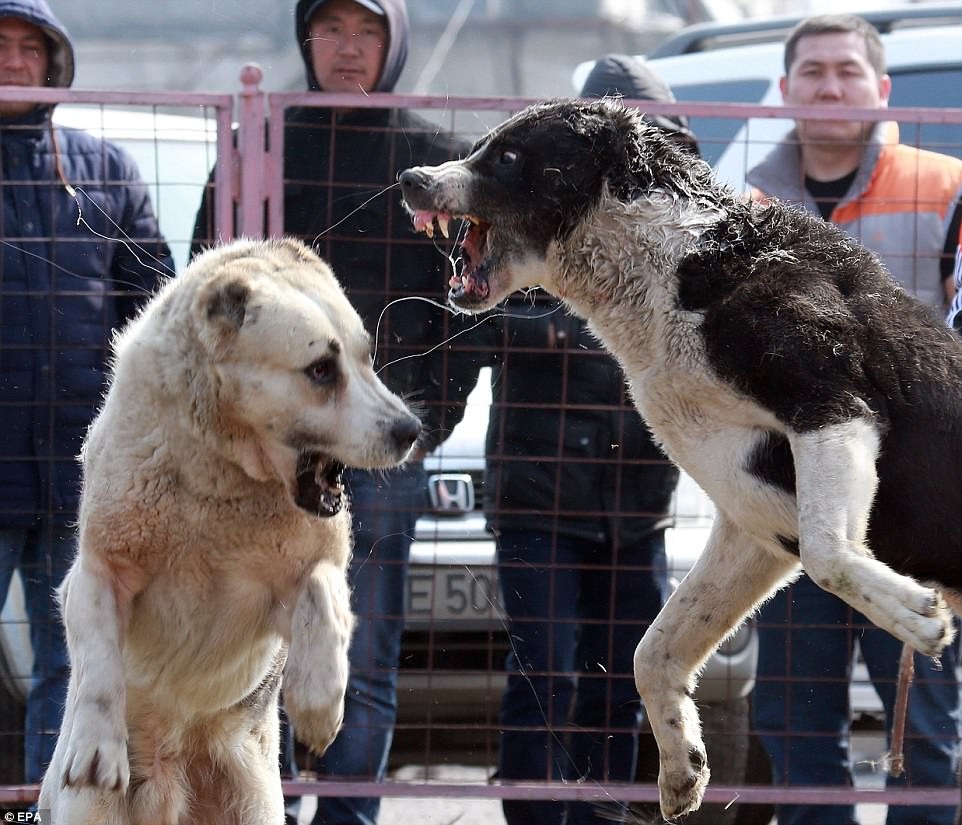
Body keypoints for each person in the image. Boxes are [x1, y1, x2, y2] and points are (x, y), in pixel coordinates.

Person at [191, 2, 471, 824]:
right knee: (255, 651)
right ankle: (260, 807)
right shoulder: (260, 145)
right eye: (332, 29)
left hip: (382, 454)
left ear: (394, 45)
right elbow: (208, 297)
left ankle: (348, 818)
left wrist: (427, 426)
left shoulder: (434, 162)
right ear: (305, 39)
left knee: (363, 654)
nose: (348, 49)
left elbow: (468, 314)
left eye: (367, 32)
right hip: (267, 457)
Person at [436, 55, 695, 825]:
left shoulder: (693, 224)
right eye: (617, 134)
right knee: (545, 679)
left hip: (639, 504)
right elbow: (479, 311)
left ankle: (604, 817)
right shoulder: (520, 213)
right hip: (538, 500)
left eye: (654, 135)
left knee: (621, 683)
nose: (636, 151)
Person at [746, 14, 962, 825]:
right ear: (786, 89)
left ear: (883, 89)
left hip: (920, 521)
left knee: (926, 736)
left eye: (847, 70)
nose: (830, 85)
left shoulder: (946, 185)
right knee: (796, 732)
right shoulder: (750, 205)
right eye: (813, 72)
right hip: (793, 516)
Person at [0, 0, 172, 788]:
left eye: (28, 47)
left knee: (74, 674)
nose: (12, 60)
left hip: (81, 483)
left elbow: (158, 322)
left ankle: (47, 811)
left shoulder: (108, 171)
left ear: (54, 61)